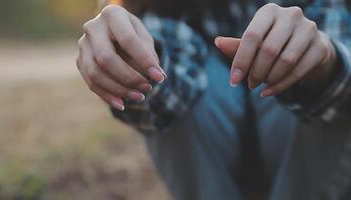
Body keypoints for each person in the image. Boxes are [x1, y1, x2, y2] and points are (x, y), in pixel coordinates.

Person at [76, 0, 351, 199]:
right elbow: (167, 95)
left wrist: (326, 64)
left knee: (301, 62)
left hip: (308, 174)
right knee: (173, 79)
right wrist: (134, 61)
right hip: (209, 179)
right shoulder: (158, 10)